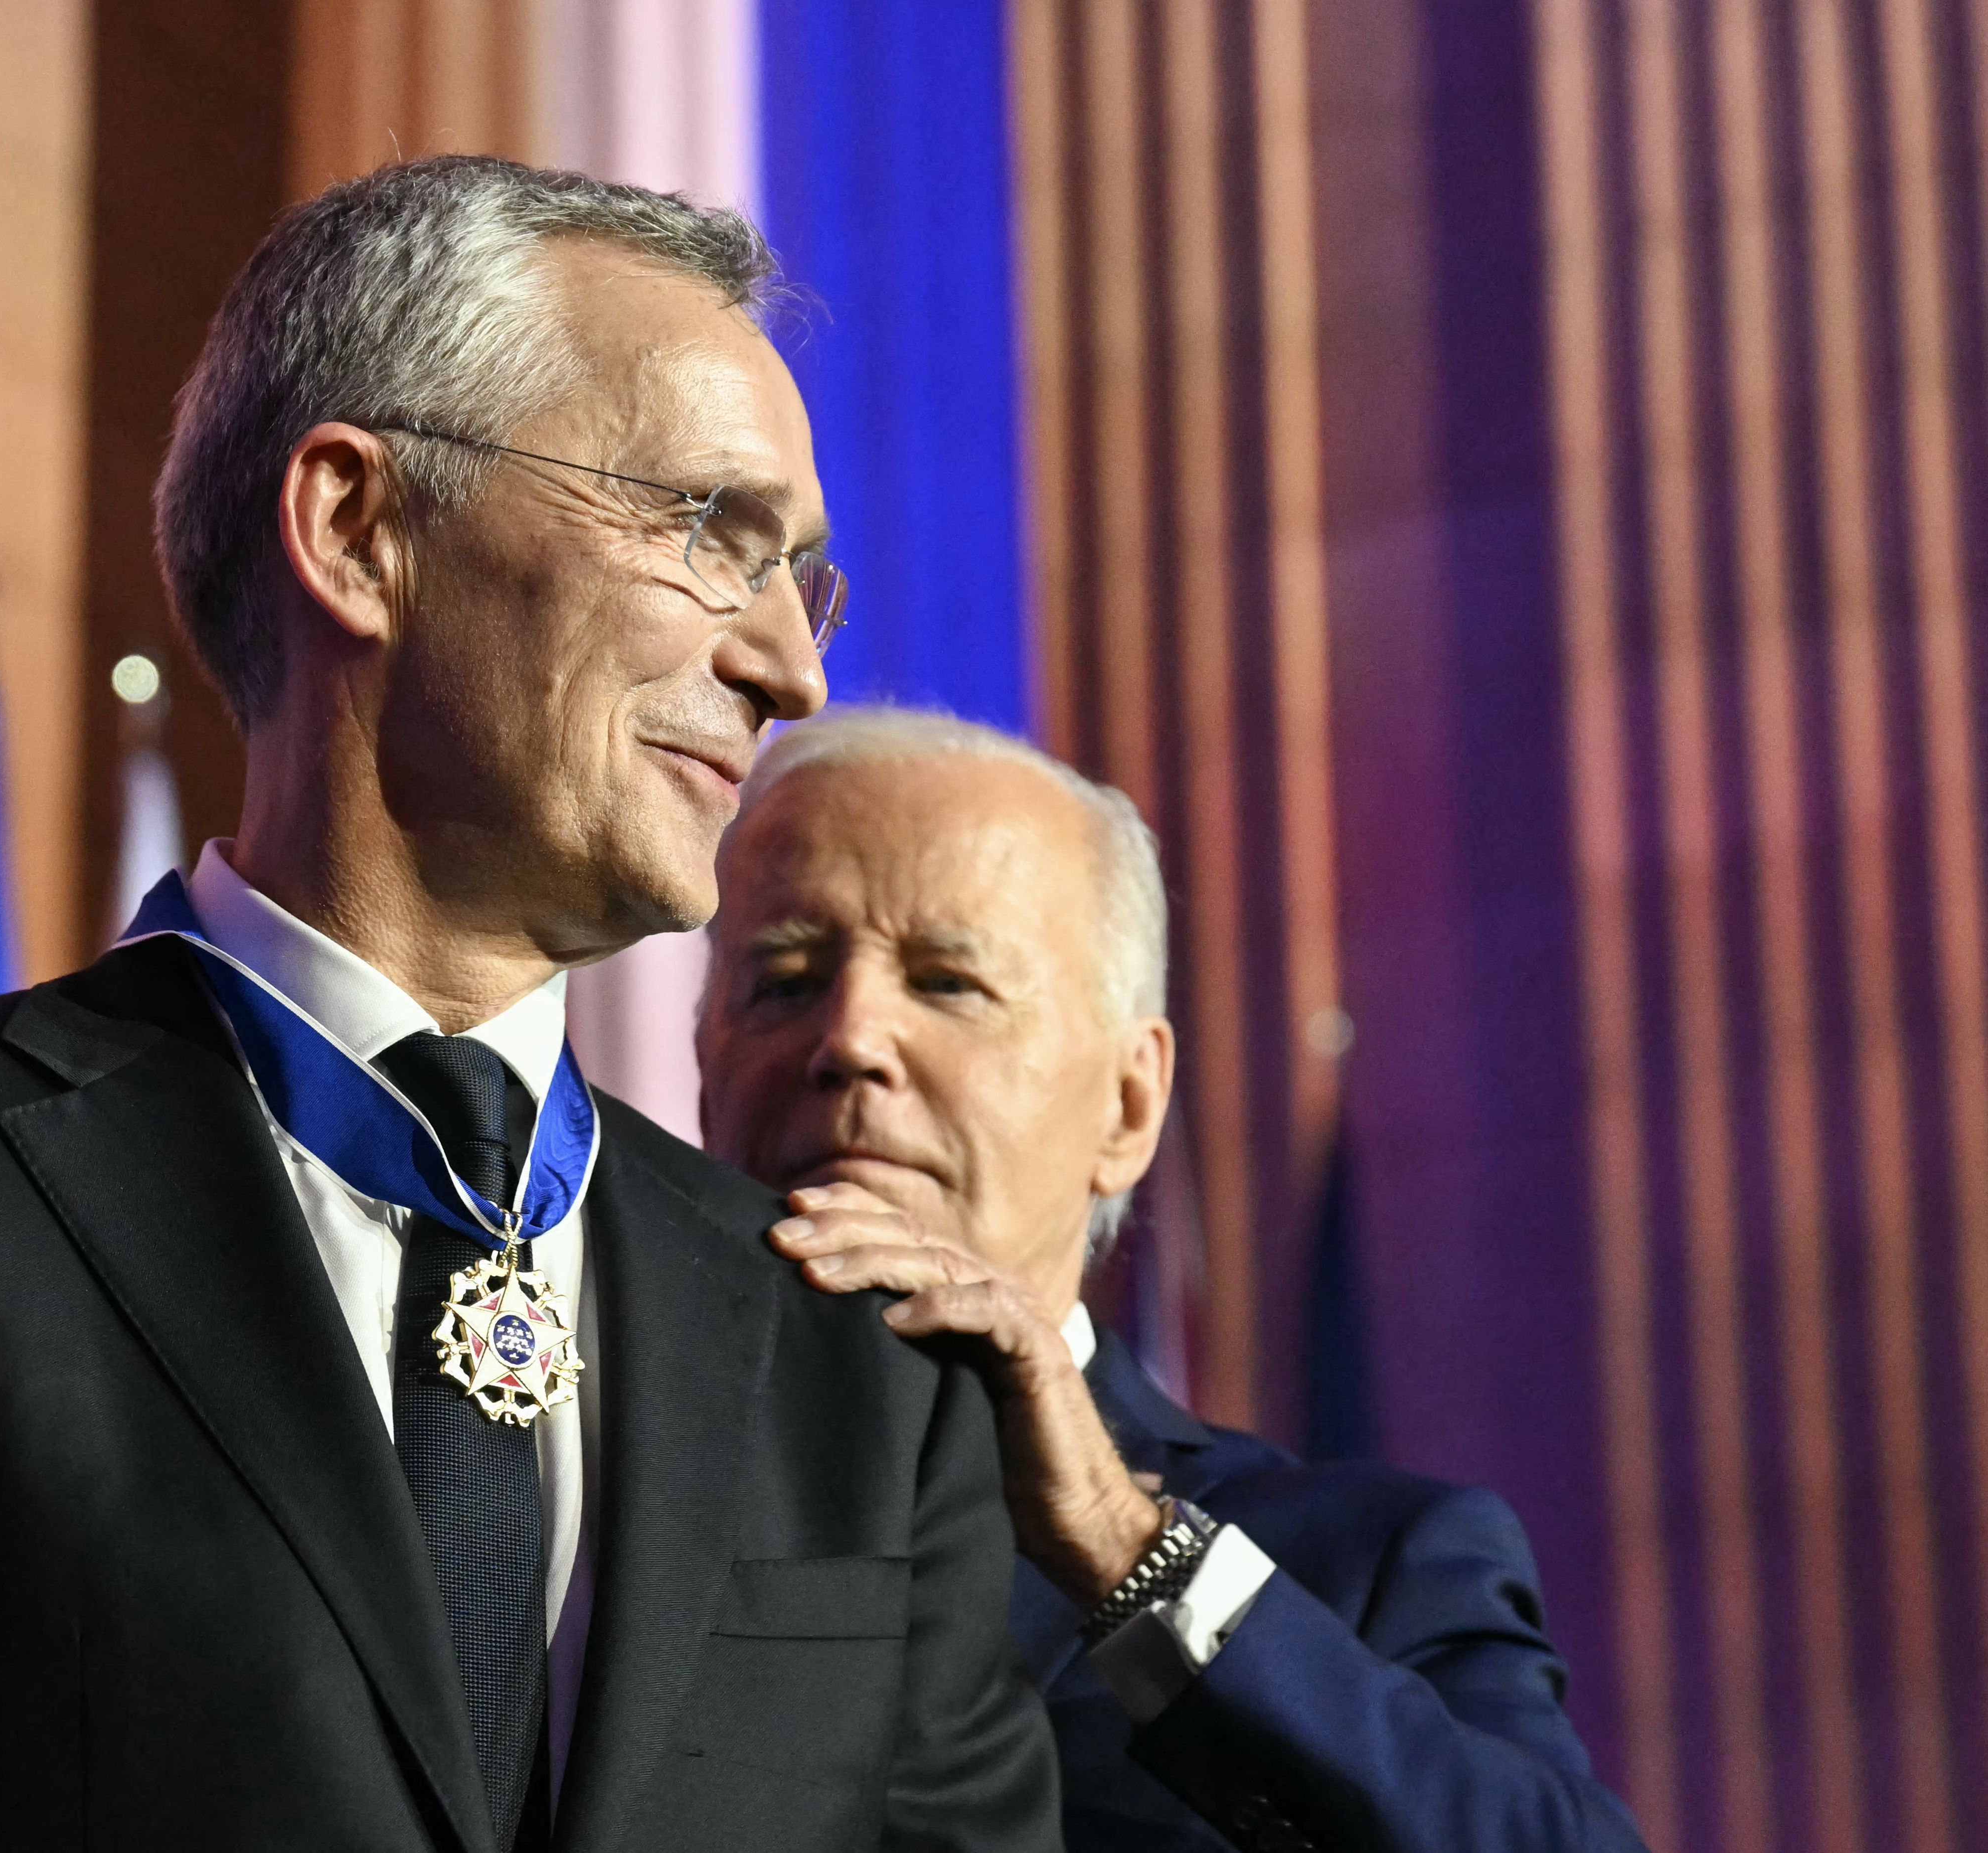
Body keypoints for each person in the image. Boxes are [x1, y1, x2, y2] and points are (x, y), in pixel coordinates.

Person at [0, 162, 1059, 1852]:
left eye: (798, 578)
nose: (789, 669)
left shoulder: (856, 1371)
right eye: (708, 534)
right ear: (356, 529)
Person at [695, 705, 1650, 1853]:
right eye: (783, 980)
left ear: (1128, 1102)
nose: (848, 1037)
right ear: (703, 1055)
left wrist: (1120, 1547)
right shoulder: (574, 1473)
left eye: (946, 981)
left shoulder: (1368, 1564)